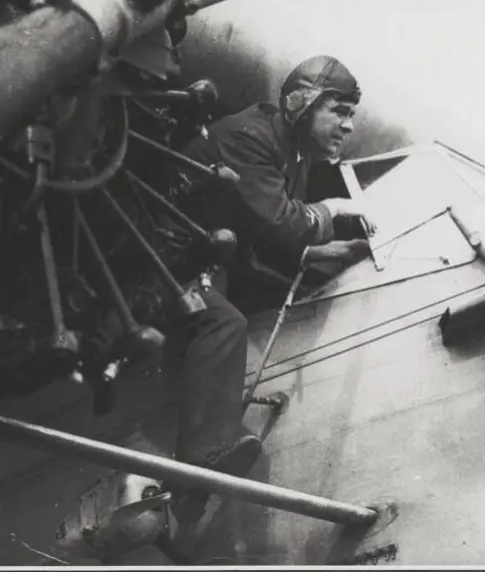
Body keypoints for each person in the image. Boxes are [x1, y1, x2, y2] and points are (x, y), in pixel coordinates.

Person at [154, 55, 376, 491]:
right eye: (340, 111)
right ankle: (203, 453)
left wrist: (332, 251)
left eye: (351, 115)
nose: (348, 126)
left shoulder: (294, 155)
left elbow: (268, 233)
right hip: (161, 256)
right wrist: (334, 209)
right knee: (223, 322)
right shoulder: (250, 137)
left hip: (206, 259)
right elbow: (280, 221)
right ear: (302, 104)